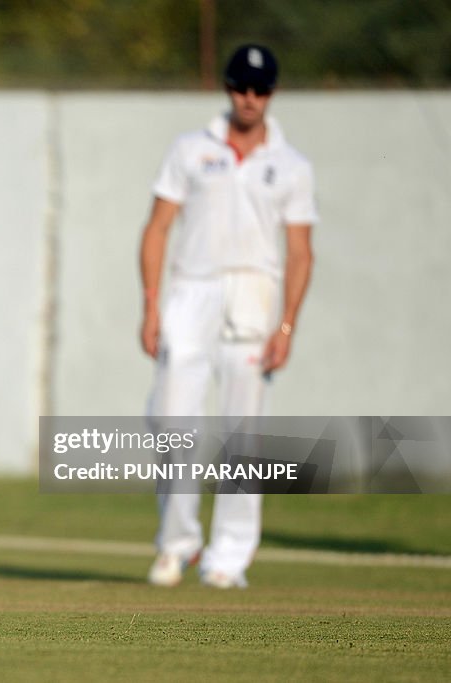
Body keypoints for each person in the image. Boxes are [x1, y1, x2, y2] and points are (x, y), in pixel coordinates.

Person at [138, 44, 317, 589]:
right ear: (228, 87)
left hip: (253, 297)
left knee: (243, 435)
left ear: (272, 94)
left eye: (260, 90)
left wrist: (286, 323)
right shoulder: (192, 149)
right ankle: (177, 544)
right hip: (191, 291)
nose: (249, 98)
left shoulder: (291, 165)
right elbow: (158, 228)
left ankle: (229, 558)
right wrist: (150, 304)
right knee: (171, 423)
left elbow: (301, 251)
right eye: (241, 86)